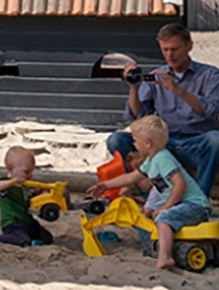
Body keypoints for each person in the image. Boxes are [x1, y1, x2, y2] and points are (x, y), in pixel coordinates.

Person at [105, 23, 219, 197]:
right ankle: (152, 196)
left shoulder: (211, 74)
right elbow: (137, 117)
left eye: (175, 49)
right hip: (163, 143)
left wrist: (177, 89)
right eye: (165, 50)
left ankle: (198, 199)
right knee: (117, 140)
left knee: (217, 140)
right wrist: (133, 88)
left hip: (196, 142)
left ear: (189, 46)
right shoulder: (156, 75)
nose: (170, 55)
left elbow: (211, 110)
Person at [89, 115, 211, 270]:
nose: (133, 143)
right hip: (181, 206)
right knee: (144, 218)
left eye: (135, 140)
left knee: (163, 216)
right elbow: (131, 177)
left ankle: (165, 257)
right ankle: (157, 248)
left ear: (147, 143)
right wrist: (105, 185)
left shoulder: (163, 159)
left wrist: (166, 206)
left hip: (196, 206)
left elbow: (180, 184)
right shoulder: (151, 160)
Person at [0, 146, 54, 247]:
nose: (29, 176)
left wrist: (39, 192)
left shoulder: (25, 186)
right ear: (10, 168)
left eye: (31, 172)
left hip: (28, 222)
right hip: (13, 223)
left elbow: (28, 199)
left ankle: (31, 239)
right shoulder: (7, 184)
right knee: (22, 240)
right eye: (26, 172)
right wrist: (12, 182)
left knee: (47, 238)